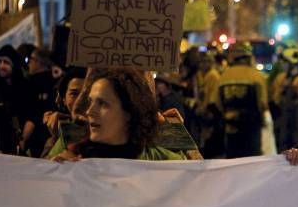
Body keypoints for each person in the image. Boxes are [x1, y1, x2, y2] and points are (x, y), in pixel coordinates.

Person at [48, 68, 186, 161]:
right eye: (90, 101)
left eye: (102, 103)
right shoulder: (73, 153)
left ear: (130, 112)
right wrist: (56, 175)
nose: (89, 111)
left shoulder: (166, 163)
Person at [214, 42, 269, 158]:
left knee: (233, 160)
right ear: (248, 58)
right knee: (251, 161)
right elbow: (263, 103)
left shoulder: (224, 75)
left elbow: (217, 103)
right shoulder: (256, 75)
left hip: (230, 127)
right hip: (251, 128)